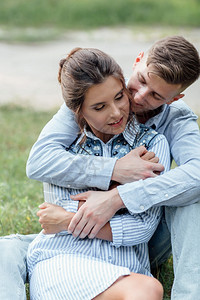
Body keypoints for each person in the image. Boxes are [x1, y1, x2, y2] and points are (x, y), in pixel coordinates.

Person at [0, 35, 199, 300]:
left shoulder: (171, 125)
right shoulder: (89, 95)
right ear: (137, 60)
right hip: (65, 240)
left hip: (141, 239)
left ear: (175, 98)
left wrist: (116, 198)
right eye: (140, 81)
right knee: (7, 249)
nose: (137, 98)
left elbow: (195, 177)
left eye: (155, 95)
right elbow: (40, 162)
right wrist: (116, 170)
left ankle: (189, 295)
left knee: (189, 192)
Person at [27, 47, 169, 299]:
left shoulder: (152, 145)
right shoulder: (64, 147)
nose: (116, 112)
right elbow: (50, 207)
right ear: (78, 111)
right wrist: (116, 176)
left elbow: (143, 228)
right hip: (61, 258)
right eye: (99, 106)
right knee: (147, 289)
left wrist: (67, 221)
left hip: (127, 267)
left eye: (119, 97)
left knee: (147, 288)